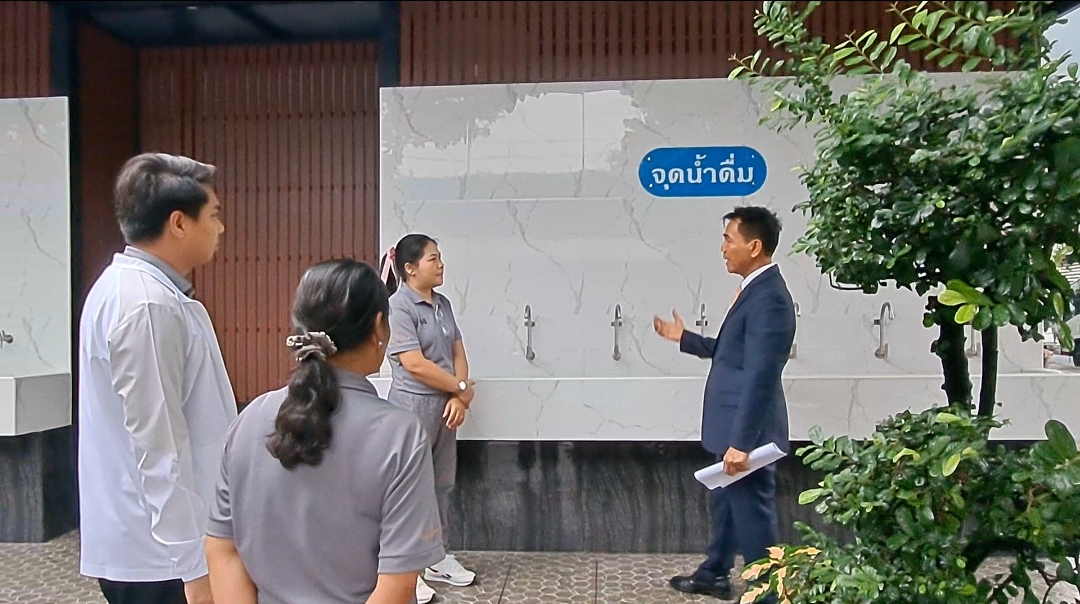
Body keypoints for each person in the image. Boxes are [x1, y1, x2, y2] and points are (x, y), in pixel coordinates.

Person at [204, 259, 445, 604]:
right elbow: (397, 586)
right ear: (379, 328)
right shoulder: (400, 435)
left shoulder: (251, 417)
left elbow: (222, 549)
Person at [77, 153, 236, 604]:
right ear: (179, 223)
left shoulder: (135, 291)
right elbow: (159, 446)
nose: (221, 228)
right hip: (161, 559)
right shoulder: (145, 305)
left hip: (158, 549)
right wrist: (193, 568)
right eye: (214, 215)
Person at [653, 206, 796, 603]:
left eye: (729, 240)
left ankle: (769, 595)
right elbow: (733, 351)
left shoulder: (770, 299)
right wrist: (685, 339)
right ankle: (714, 573)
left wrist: (741, 442)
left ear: (754, 246)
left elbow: (761, 374)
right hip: (733, 427)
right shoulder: (755, 291)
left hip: (746, 433)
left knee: (754, 518)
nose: (723, 248)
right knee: (729, 505)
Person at [380, 234, 476, 604]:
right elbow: (414, 363)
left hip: (445, 407)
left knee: (441, 484)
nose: (440, 264)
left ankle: (436, 557)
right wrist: (462, 388)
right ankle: (407, 569)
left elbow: (457, 351)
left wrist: (458, 396)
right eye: (433, 259)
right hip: (413, 406)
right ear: (410, 268)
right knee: (410, 487)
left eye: (439, 257)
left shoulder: (442, 304)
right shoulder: (398, 307)